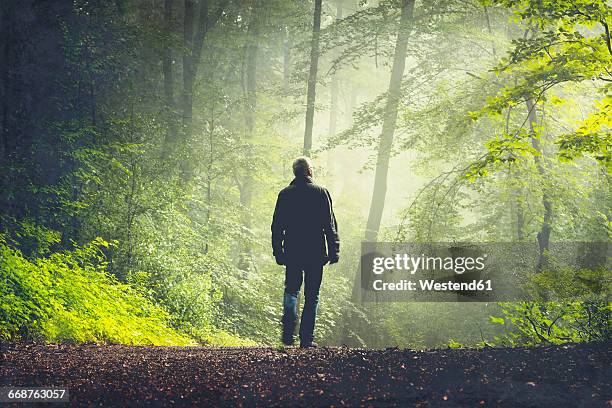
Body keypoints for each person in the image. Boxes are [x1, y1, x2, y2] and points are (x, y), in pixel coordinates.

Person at [271, 156, 340, 348]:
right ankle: (306, 339)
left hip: (292, 252)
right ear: (309, 171)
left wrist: (278, 251)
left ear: (295, 172)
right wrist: (334, 250)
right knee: (312, 295)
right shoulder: (321, 193)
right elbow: (329, 225)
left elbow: (277, 226)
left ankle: (287, 335)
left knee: (291, 291)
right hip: (315, 253)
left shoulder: (285, 194)